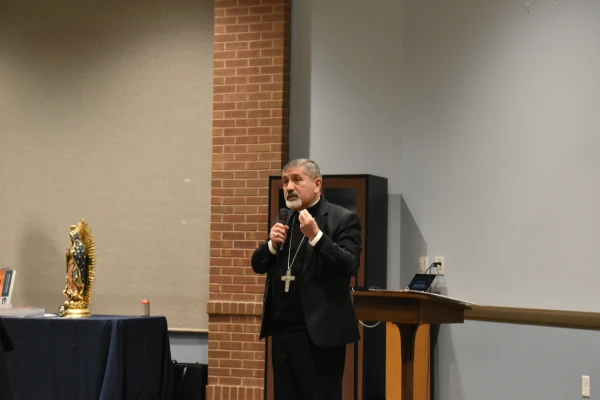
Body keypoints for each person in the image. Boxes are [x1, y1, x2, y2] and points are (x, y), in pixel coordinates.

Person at [251, 159, 362, 400]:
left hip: (319, 338)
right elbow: (257, 265)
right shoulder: (284, 222)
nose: (289, 187)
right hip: (282, 335)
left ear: (317, 184)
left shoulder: (342, 219)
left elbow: (350, 265)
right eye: (285, 181)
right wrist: (270, 245)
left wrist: (318, 237)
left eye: (297, 180)